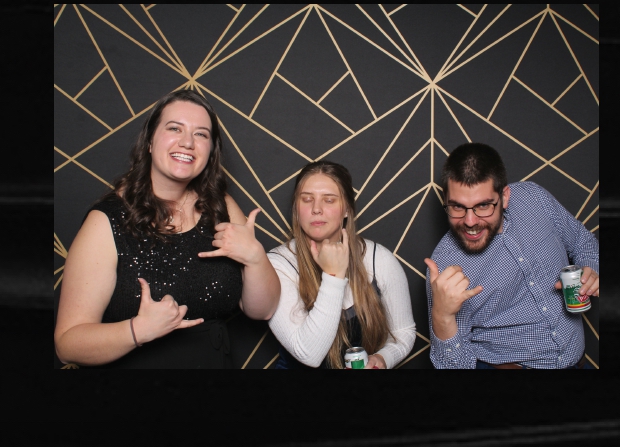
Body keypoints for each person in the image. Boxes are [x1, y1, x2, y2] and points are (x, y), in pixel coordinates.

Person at [54, 91, 280, 368]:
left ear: (211, 151)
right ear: (149, 141)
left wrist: (255, 257)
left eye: (201, 134)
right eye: (174, 128)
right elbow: (67, 345)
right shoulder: (107, 220)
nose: (188, 142)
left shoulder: (220, 207)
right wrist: (137, 331)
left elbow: (263, 310)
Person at [425, 142, 599, 369]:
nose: (470, 221)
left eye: (483, 205)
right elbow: (455, 367)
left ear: (505, 196)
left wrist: (591, 268)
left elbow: (582, 242)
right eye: (457, 207)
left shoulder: (534, 198)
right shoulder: (444, 268)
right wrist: (442, 316)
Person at [267, 160, 415, 367]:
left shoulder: (378, 258)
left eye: (329, 200)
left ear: (346, 209)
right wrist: (333, 277)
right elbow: (309, 354)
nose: (316, 209)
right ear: (296, 209)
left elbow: (403, 332)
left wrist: (383, 359)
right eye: (307, 199)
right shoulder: (277, 264)